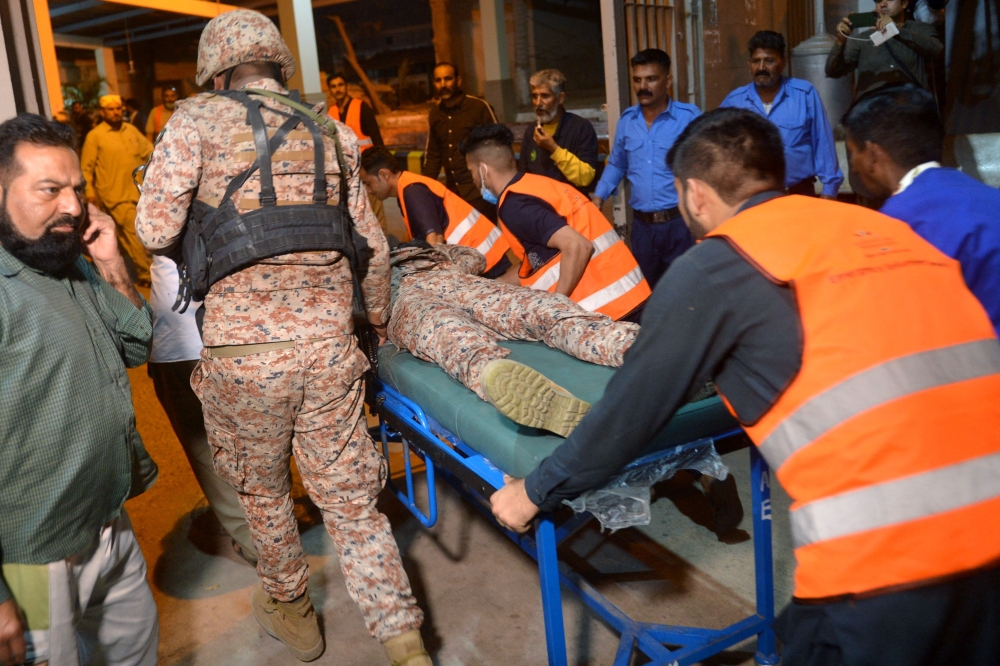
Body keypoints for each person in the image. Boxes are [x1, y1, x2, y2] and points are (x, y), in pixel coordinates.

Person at [490, 107, 1000, 664]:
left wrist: (532, 492)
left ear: (695, 195)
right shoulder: (882, 228)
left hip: (888, 560)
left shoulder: (718, 263)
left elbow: (629, 413)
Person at [135, 10, 430, 665]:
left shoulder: (193, 123)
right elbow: (374, 249)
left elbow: (154, 228)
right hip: (330, 348)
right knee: (354, 504)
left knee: (264, 495)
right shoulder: (334, 134)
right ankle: (403, 638)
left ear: (214, 65)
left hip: (244, 358)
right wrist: (376, 315)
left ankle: (294, 615)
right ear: (277, 60)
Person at [0, 113, 159, 666]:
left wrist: (112, 260)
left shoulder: (70, 262)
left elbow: (138, 347)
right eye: (50, 189)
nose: (72, 206)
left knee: (135, 649)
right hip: (33, 562)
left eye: (76, 189)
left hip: (110, 520)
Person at [388, 241, 638, 436]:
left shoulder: (371, 266)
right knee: (538, 309)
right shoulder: (430, 254)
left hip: (413, 295)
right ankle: (623, 343)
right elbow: (474, 258)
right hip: (449, 285)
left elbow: (359, 307)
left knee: (450, 335)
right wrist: (444, 259)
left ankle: (491, 371)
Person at [843, 84, 1000, 335]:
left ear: (873, 154)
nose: (853, 165)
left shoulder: (894, 226)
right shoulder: (992, 197)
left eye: (852, 152)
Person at [465, 124, 651, 323]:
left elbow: (578, 245)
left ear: (484, 170)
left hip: (609, 310)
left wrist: (557, 309)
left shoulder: (514, 205)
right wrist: (493, 285)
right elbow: (538, 264)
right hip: (631, 298)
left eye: (472, 172)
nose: (473, 180)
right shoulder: (535, 186)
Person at [147, 253, 258, 565]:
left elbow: (155, 235)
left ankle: (259, 547)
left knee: (208, 450)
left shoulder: (163, 206)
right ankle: (280, 525)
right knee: (265, 437)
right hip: (257, 326)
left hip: (183, 337)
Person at [591, 49, 701, 288]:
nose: (643, 86)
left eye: (651, 79)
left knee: (686, 291)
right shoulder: (628, 121)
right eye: (637, 79)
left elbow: (705, 166)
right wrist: (598, 197)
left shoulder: (688, 117)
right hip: (642, 230)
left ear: (667, 81)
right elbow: (617, 163)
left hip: (680, 226)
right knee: (645, 294)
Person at [720, 30, 843, 198]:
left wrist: (829, 191)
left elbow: (823, 143)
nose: (761, 67)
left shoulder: (804, 94)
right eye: (756, 61)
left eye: (769, 61)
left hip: (799, 193)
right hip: (751, 198)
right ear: (749, 64)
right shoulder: (734, 102)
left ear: (783, 63)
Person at [360, 146, 513, 279]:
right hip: (479, 255)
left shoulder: (412, 191)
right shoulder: (409, 187)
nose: (368, 190)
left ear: (384, 175)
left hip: (480, 258)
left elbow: (434, 238)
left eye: (368, 183)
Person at [81, 94, 154, 286]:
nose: (115, 112)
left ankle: (132, 274)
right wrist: (89, 192)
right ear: (103, 112)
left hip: (139, 192)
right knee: (134, 233)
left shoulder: (130, 130)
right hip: (115, 195)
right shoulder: (95, 136)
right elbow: (86, 169)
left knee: (130, 237)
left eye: (118, 108)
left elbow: (150, 152)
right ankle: (147, 275)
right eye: (111, 109)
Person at [422, 62, 499, 221]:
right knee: (462, 245)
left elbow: (499, 147)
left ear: (459, 80)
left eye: (448, 79)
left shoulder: (479, 107)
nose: (443, 84)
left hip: (482, 195)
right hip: (454, 195)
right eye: (438, 80)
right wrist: (423, 190)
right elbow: (433, 156)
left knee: (488, 243)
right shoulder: (435, 114)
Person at [827, 0, 944, 99]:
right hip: (872, 112)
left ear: (904, 3)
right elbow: (833, 71)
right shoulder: (863, 39)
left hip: (910, 110)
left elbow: (936, 51)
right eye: (878, 0)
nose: (882, 4)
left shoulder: (920, 30)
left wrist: (896, 31)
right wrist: (840, 42)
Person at [518, 69, 600, 194]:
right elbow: (524, 178)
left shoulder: (580, 128)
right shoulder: (531, 132)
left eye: (545, 96)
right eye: (535, 96)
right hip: (540, 207)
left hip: (571, 207)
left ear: (560, 98)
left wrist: (554, 149)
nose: (538, 103)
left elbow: (586, 178)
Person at [326, 72, 389, 232]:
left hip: (367, 170)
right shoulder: (331, 113)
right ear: (330, 90)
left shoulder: (361, 108)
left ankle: (384, 245)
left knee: (375, 211)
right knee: (356, 213)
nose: (338, 89)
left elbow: (376, 139)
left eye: (340, 85)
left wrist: (380, 167)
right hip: (346, 174)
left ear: (346, 87)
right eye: (333, 86)